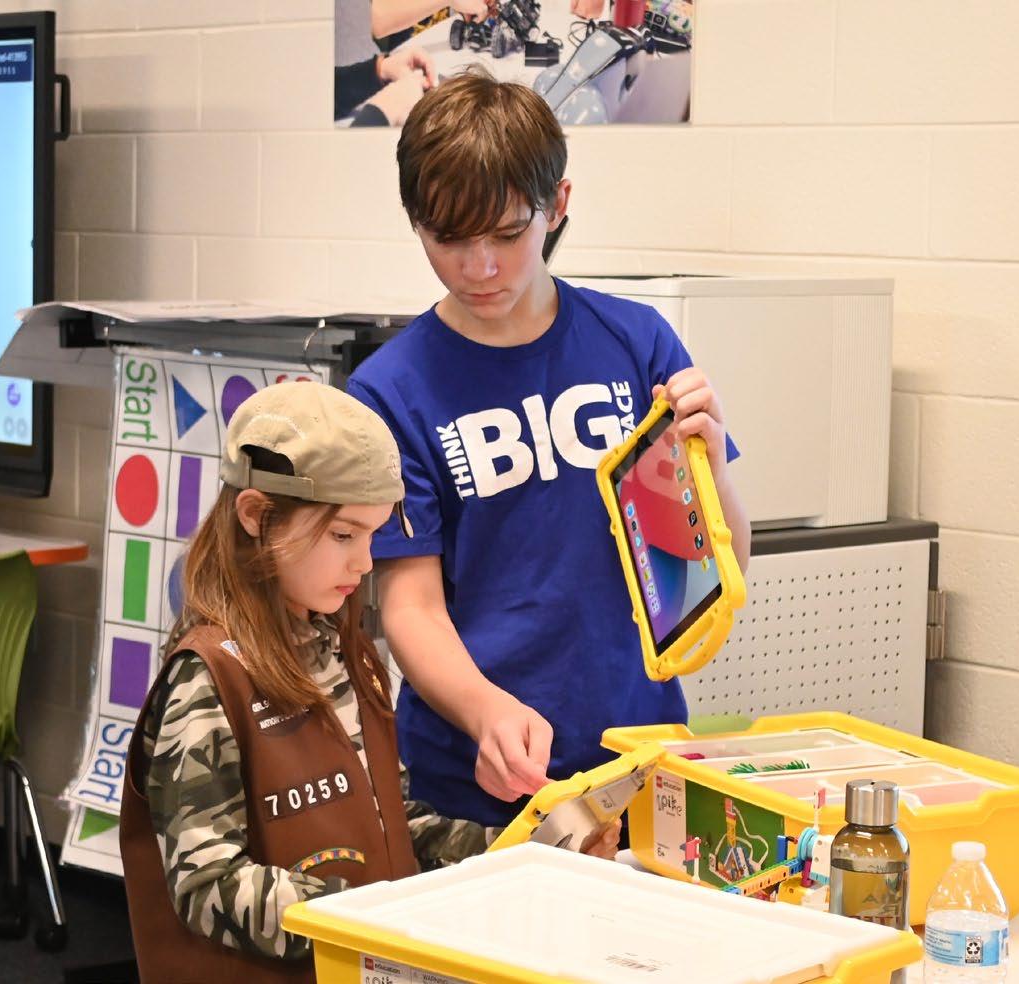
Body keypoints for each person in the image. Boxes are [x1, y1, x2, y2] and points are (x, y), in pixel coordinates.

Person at [347, 69, 751, 829]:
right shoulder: (389, 391)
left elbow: (715, 567)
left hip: (638, 761)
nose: (479, 267)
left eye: (507, 234)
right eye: (448, 239)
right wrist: (485, 711)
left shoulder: (635, 343)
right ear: (415, 221)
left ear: (557, 205)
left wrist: (714, 462)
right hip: (474, 786)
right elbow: (410, 605)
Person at [119, 382, 618, 984]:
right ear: (256, 516)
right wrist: (369, 917)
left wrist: (528, 851)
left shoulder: (348, 653)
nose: (363, 563)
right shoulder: (207, 681)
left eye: (373, 535)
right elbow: (208, 885)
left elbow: (396, 827)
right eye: (343, 536)